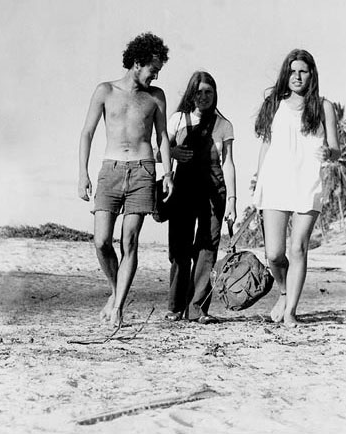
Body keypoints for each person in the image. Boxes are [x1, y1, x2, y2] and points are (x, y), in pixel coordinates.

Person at [78, 32, 174, 327]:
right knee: (102, 241)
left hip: (144, 170)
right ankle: (115, 290)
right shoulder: (105, 90)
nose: (156, 74)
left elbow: (162, 136)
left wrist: (167, 172)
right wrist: (82, 173)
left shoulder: (156, 97)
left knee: (130, 240)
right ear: (136, 63)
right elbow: (87, 133)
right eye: (153, 69)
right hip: (111, 169)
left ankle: (118, 306)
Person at [252, 49, 340, 326]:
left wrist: (330, 155)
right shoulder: (273, 104)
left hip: (308, 181)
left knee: (298, 248)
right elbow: (266, 145)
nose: (297, 76)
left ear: (311, 74)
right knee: (274, 254)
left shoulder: (324, 106)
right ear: (285, 74)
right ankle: (283, 291)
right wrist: (258, 184)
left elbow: (336, 148)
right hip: (275, 181)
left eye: (302, 71)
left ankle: (290, 311)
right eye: (292, 71)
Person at [164, 71, 237, 324]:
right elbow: (158, 151)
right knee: (179, 250)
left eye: (209, 91)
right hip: (183, 190)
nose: (204, 96)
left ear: (215, 94)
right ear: (191, 93)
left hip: (214, 192)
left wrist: (233, 200)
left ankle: (198, 309)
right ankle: (175, 306)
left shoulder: (223, 124)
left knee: (207, 250)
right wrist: (172, 152)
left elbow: (228, 163)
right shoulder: (178, 119)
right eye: (199, 91)